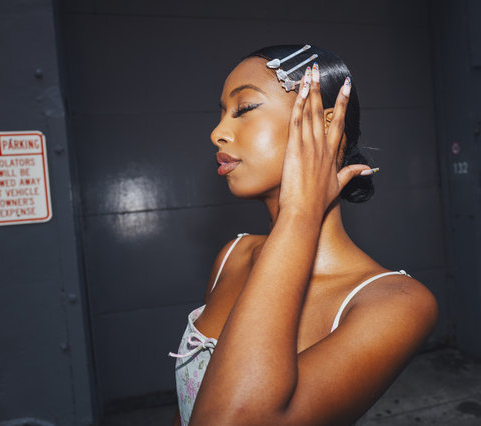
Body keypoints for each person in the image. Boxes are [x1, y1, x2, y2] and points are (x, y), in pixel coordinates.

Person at [169, 44, 438, 426]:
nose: (217, 133)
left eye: (244, 109)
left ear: (326, 123)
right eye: (221, 114)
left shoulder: (397, 303)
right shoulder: (234, 256)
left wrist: (299, 215)